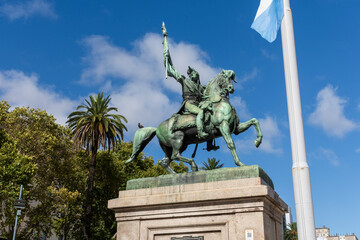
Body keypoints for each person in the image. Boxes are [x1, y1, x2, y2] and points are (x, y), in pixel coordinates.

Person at [162, 22, 209, 139]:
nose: (192, 75)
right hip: (188, 104)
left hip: (198, 104)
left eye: (193, 73)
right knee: (201, 113)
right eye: (190, 73)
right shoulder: (184, 80)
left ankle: (210, 143)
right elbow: (172, 69)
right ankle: (201, 132)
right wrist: (166, 50)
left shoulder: (201, 88)